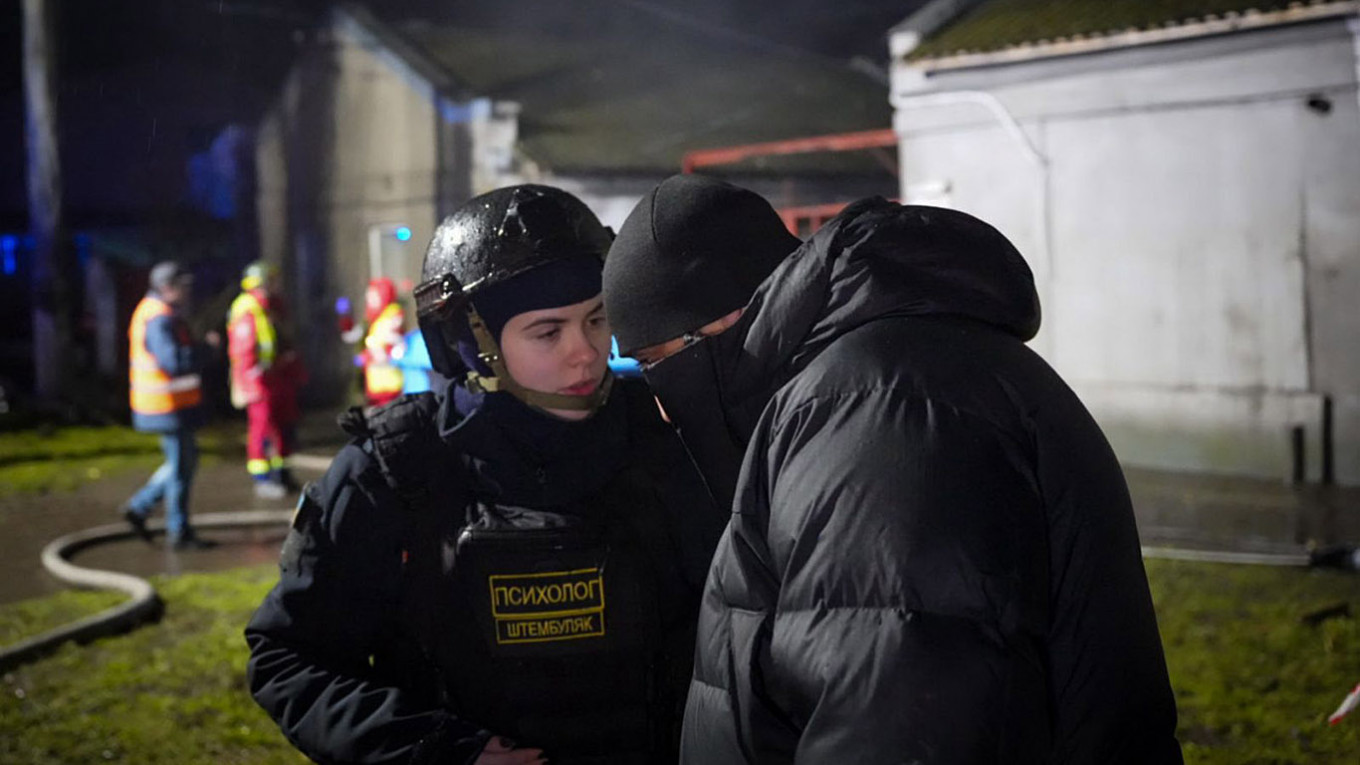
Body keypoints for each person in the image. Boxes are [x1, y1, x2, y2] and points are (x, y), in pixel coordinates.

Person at [602, 174, 1184, 764]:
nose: (661, 405)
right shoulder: (865, 392)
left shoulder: (868, 413)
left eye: (656, 365)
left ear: (721, 323)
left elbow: (899, 714)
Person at [245, 184, 723, 764]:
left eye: (597, 319)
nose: (585, 351)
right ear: (475, 343)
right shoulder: (393, 470)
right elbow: (290, 658)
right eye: (548, 331)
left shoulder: (670, 437)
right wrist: (432, 750)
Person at [120, 260, 212, 550]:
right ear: (167, 287)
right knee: (181, 468)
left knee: (181, 464)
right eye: (182, 286)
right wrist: (206, 350)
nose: (187, 292)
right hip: (166, 407)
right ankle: (178, 531)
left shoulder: (158, 313)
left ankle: (139, 507)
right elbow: (172, 362)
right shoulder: (159, 318)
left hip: (169, 406)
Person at [228, 261, 303, 498]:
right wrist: (249, 379)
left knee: (283, 427)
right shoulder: (248, 308)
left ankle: (282, 474)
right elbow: (244, 349)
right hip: (259, 380)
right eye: (272, 281)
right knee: (262, 429)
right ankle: (262, 479)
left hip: (277, 376)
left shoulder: (272, 306)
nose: (276, 285)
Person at [362, 277, 407, 406]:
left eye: (373, 295)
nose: (369, 299)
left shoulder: (392, 313)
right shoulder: (376, 319)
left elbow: (391, 338)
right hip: (376, 384)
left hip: (389, 384)